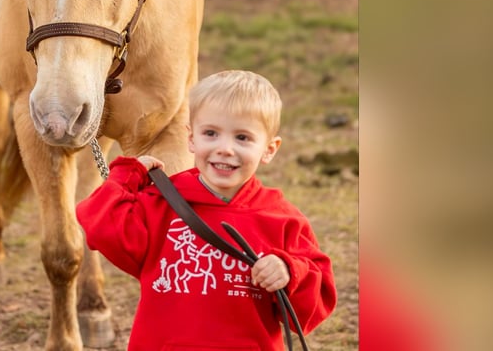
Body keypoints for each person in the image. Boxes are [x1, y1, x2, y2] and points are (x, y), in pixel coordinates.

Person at [76, 70, 337, 350]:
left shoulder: (283, 220)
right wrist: (127, 174)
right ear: (191, 139)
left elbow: (317, 300)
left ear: (269, 149)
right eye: (210, 133)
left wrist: (289, 270)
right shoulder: (162, 202)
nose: (225, 148)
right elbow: (100, 226)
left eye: (243, 138)